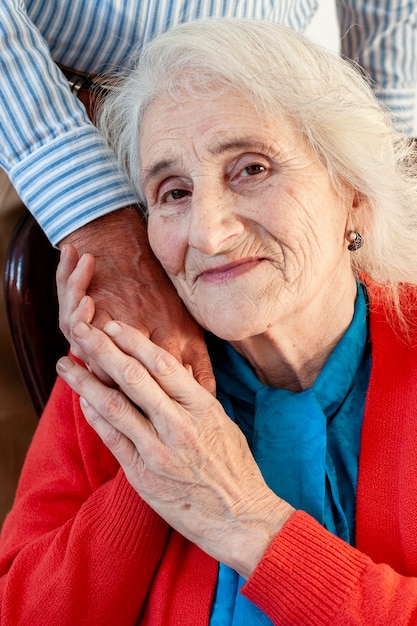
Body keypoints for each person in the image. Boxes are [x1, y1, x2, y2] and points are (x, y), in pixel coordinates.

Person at [2, 17, 417, 624]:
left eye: (252, 169)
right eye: (173, 192)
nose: (209, 232)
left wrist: (246, 521)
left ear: (354, 190)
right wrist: (159, 468)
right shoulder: (120, 373)